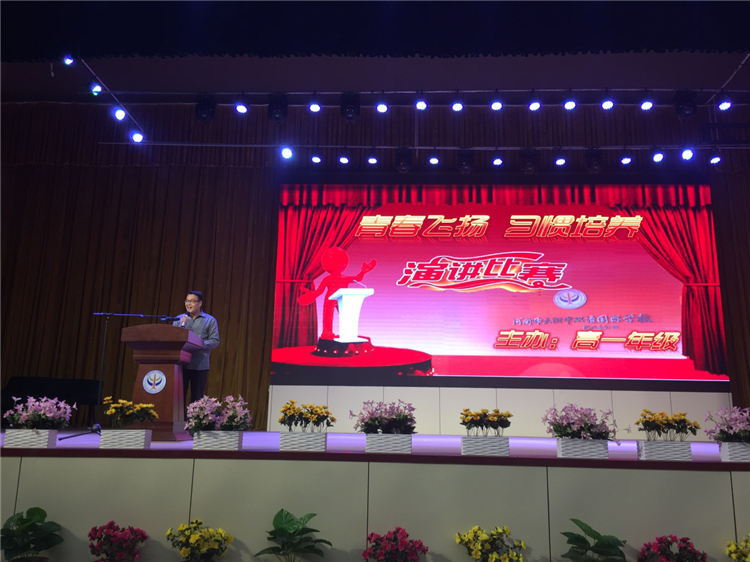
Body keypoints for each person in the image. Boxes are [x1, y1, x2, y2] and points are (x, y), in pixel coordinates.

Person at [173, 290, 220, 412]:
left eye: (192, 301)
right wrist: (181, 326)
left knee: (197, 397)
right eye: (187, 301)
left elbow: (215, 341)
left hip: (200, 365)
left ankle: (194, 421)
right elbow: (173, 339)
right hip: (181, 364)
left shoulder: (209, 320)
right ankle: (179, 421)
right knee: (178, 397)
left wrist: (197, 344)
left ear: (200, 303)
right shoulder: (178, 319)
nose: (188, 304)